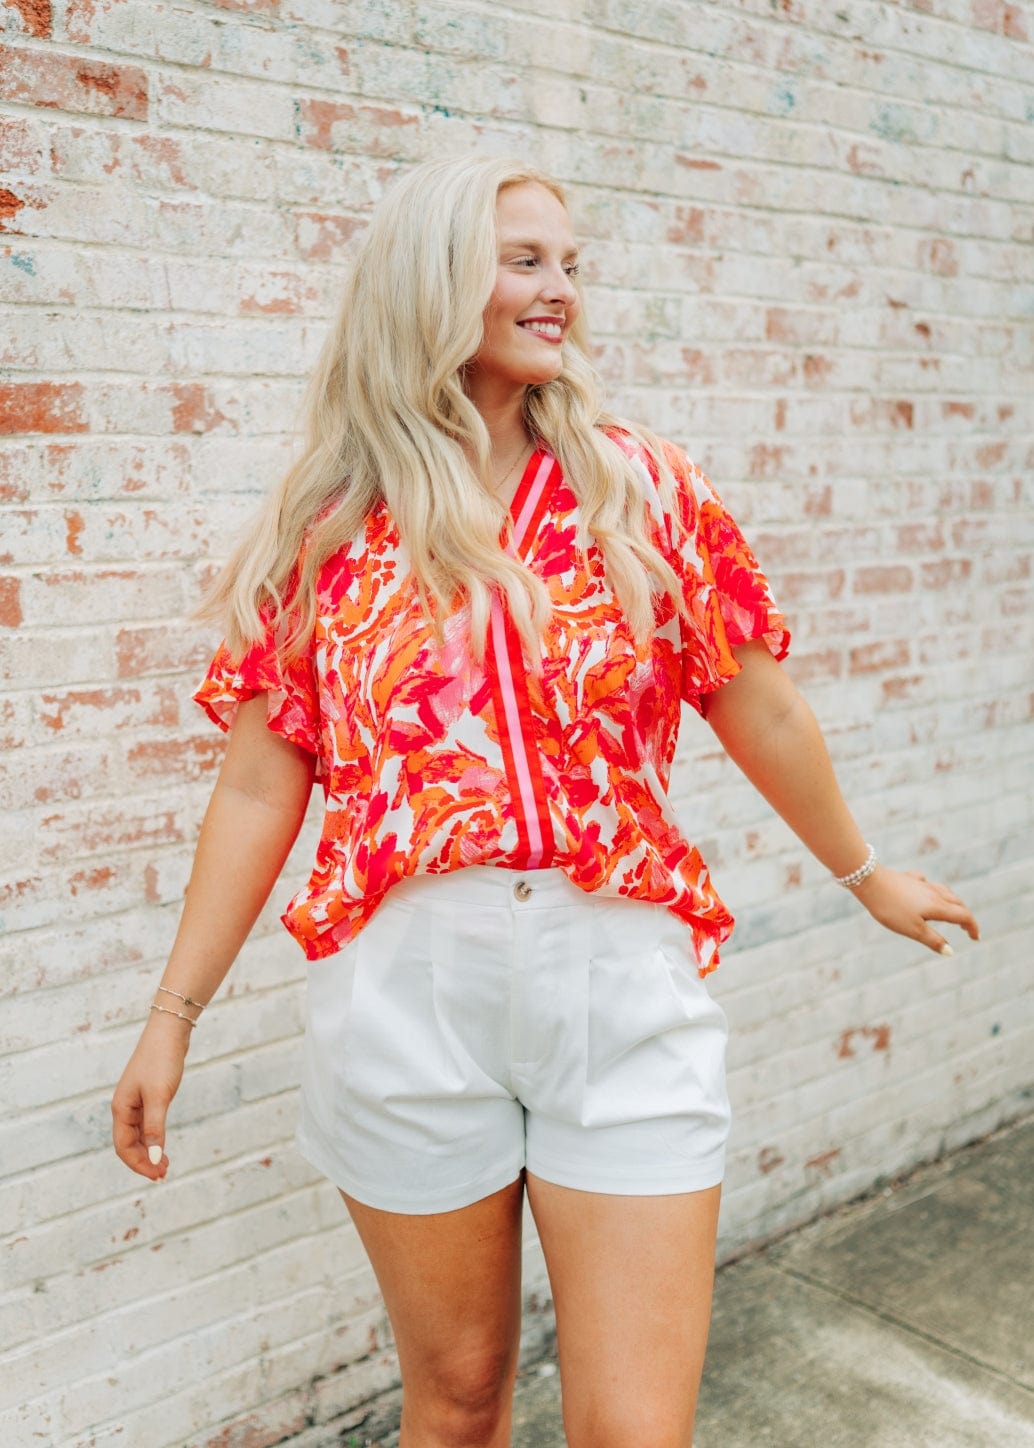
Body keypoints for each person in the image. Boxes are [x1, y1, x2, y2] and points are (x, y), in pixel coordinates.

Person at [112, 155, 980, 1448]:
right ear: (433, 279)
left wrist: (864, 873)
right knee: (456, 1403)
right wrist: (172, 1012)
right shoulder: (328, 524)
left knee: (633, 1432)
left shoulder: (638, 490)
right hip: (404, 993)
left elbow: (758, 705)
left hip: (616, 980)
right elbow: (257, 780)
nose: (559, 290)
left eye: (569, 264)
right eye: (524, 260)